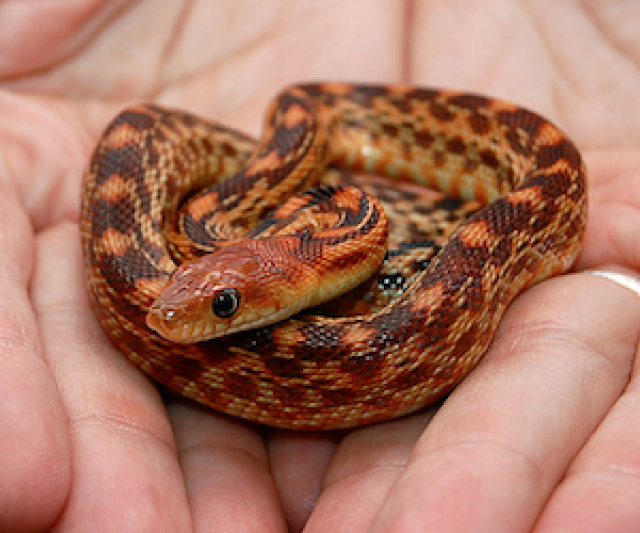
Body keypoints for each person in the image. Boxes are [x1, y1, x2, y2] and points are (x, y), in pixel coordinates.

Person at [1, 2, 639, 531]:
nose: (168, 314)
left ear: (292, 285)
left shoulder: (344, 223)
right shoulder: (253, 233)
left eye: (224, 306)